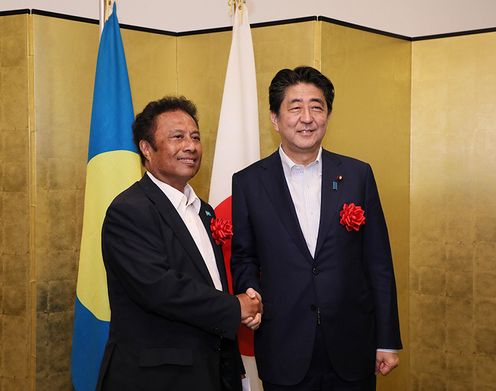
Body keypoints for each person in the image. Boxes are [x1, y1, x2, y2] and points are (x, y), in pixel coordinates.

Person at [230, 66, 402, 390]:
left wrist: (388, 338)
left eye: (316, 106)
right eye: (294, 107)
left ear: (328, 114)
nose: (306, 117)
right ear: (275, 118)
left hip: (353, 345)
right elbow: (244, 257)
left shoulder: (357, 175)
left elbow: (379, 262)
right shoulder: (249, 182)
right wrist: (250, 289)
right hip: (284, 344)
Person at [96, 96, 262, 391]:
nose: (191, 146)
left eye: (195, 137)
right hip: (157, 378)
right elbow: (160, 288)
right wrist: (233, 308)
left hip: (211, 372)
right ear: (146, 149)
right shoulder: (129, 210)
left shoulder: (204, 210)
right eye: (178, 137)